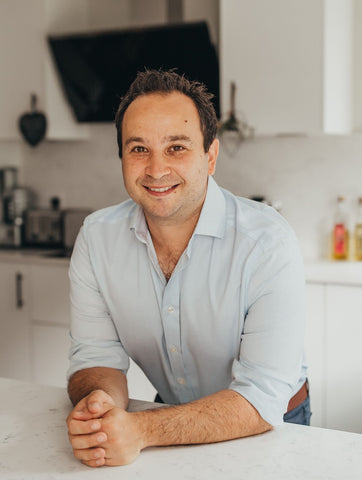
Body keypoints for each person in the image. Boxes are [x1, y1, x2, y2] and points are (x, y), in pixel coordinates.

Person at [66, 69, 309, 468]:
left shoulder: (266, 242)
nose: (156, 169)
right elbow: (96, 357)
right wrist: (100, 409)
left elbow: (262, 396)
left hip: (272, 421)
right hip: (173, 419)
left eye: (176, 147)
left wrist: (142, 430)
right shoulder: (97, 238)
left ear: (210, 157)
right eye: (138, 148)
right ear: (122, 158)